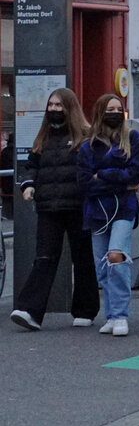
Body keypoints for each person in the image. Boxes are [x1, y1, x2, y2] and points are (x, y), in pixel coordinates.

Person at [10, 88, 99, 331]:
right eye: (51, 105)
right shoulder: (43, 138)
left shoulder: (86, 135)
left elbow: (98, 165)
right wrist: (28, 185)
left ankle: (85, 310)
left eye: (59, 105)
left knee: (83, 259)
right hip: (49, 207)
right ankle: (29, 311)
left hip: (79, 206)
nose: (53, 109)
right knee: (44, 258)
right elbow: (31, 167)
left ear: (69, 108)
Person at [77, 94, 139, 337]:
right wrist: (118, 178)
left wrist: (102, 175)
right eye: (110, 108)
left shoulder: (133, 139)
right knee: (102, 267)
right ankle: (110, 314)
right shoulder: (87, 146)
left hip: (124, 209)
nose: (116, 112)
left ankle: (120, 316)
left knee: (117, 256)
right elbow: (84, 182)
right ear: (100, 112)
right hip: (96, 211)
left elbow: (136, 174)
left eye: (119, 108)